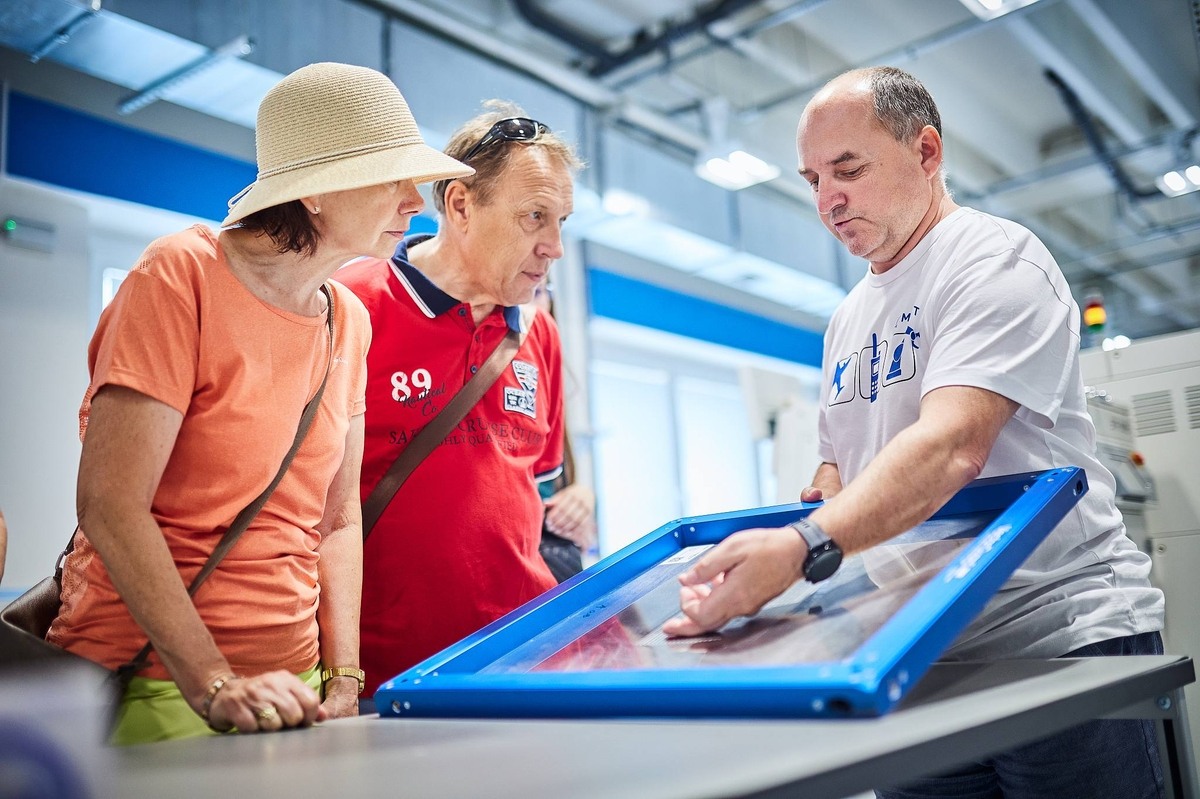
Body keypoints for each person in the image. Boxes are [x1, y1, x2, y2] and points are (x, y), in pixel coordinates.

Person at [664, 66, 1166, 798]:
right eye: (813, 179)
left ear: (926, 152)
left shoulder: (994, 259)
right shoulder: (847, 319)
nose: (827, 200)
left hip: (1055, 636)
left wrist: (803, 547)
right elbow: (838, 467)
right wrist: (820, 507)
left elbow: (953, 446)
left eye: (848, 170)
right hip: (918, 648)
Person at [46, 62, 472, 744]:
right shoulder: (180, 275)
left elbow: (336, 520)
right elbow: (111, 503)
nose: (414, 201)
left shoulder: (348, 320)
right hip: (155, 679)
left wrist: (343, 677)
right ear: (316, 190)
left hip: (294, 685)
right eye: (393, 177)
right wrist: (214, 682)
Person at [335, 101, 581, 694]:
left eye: (561, 221)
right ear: (461, 205)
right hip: (385, 673)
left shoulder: (540, 333)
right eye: (534, 217)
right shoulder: (351, 304)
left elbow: (534, 493)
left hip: (524, 661)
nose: (555, 247)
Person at [531, 279, 597, 582]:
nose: (529, 305)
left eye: (538, 292)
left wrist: (580, 500)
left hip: (550, 568)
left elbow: (557, 481)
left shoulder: (548, 388)